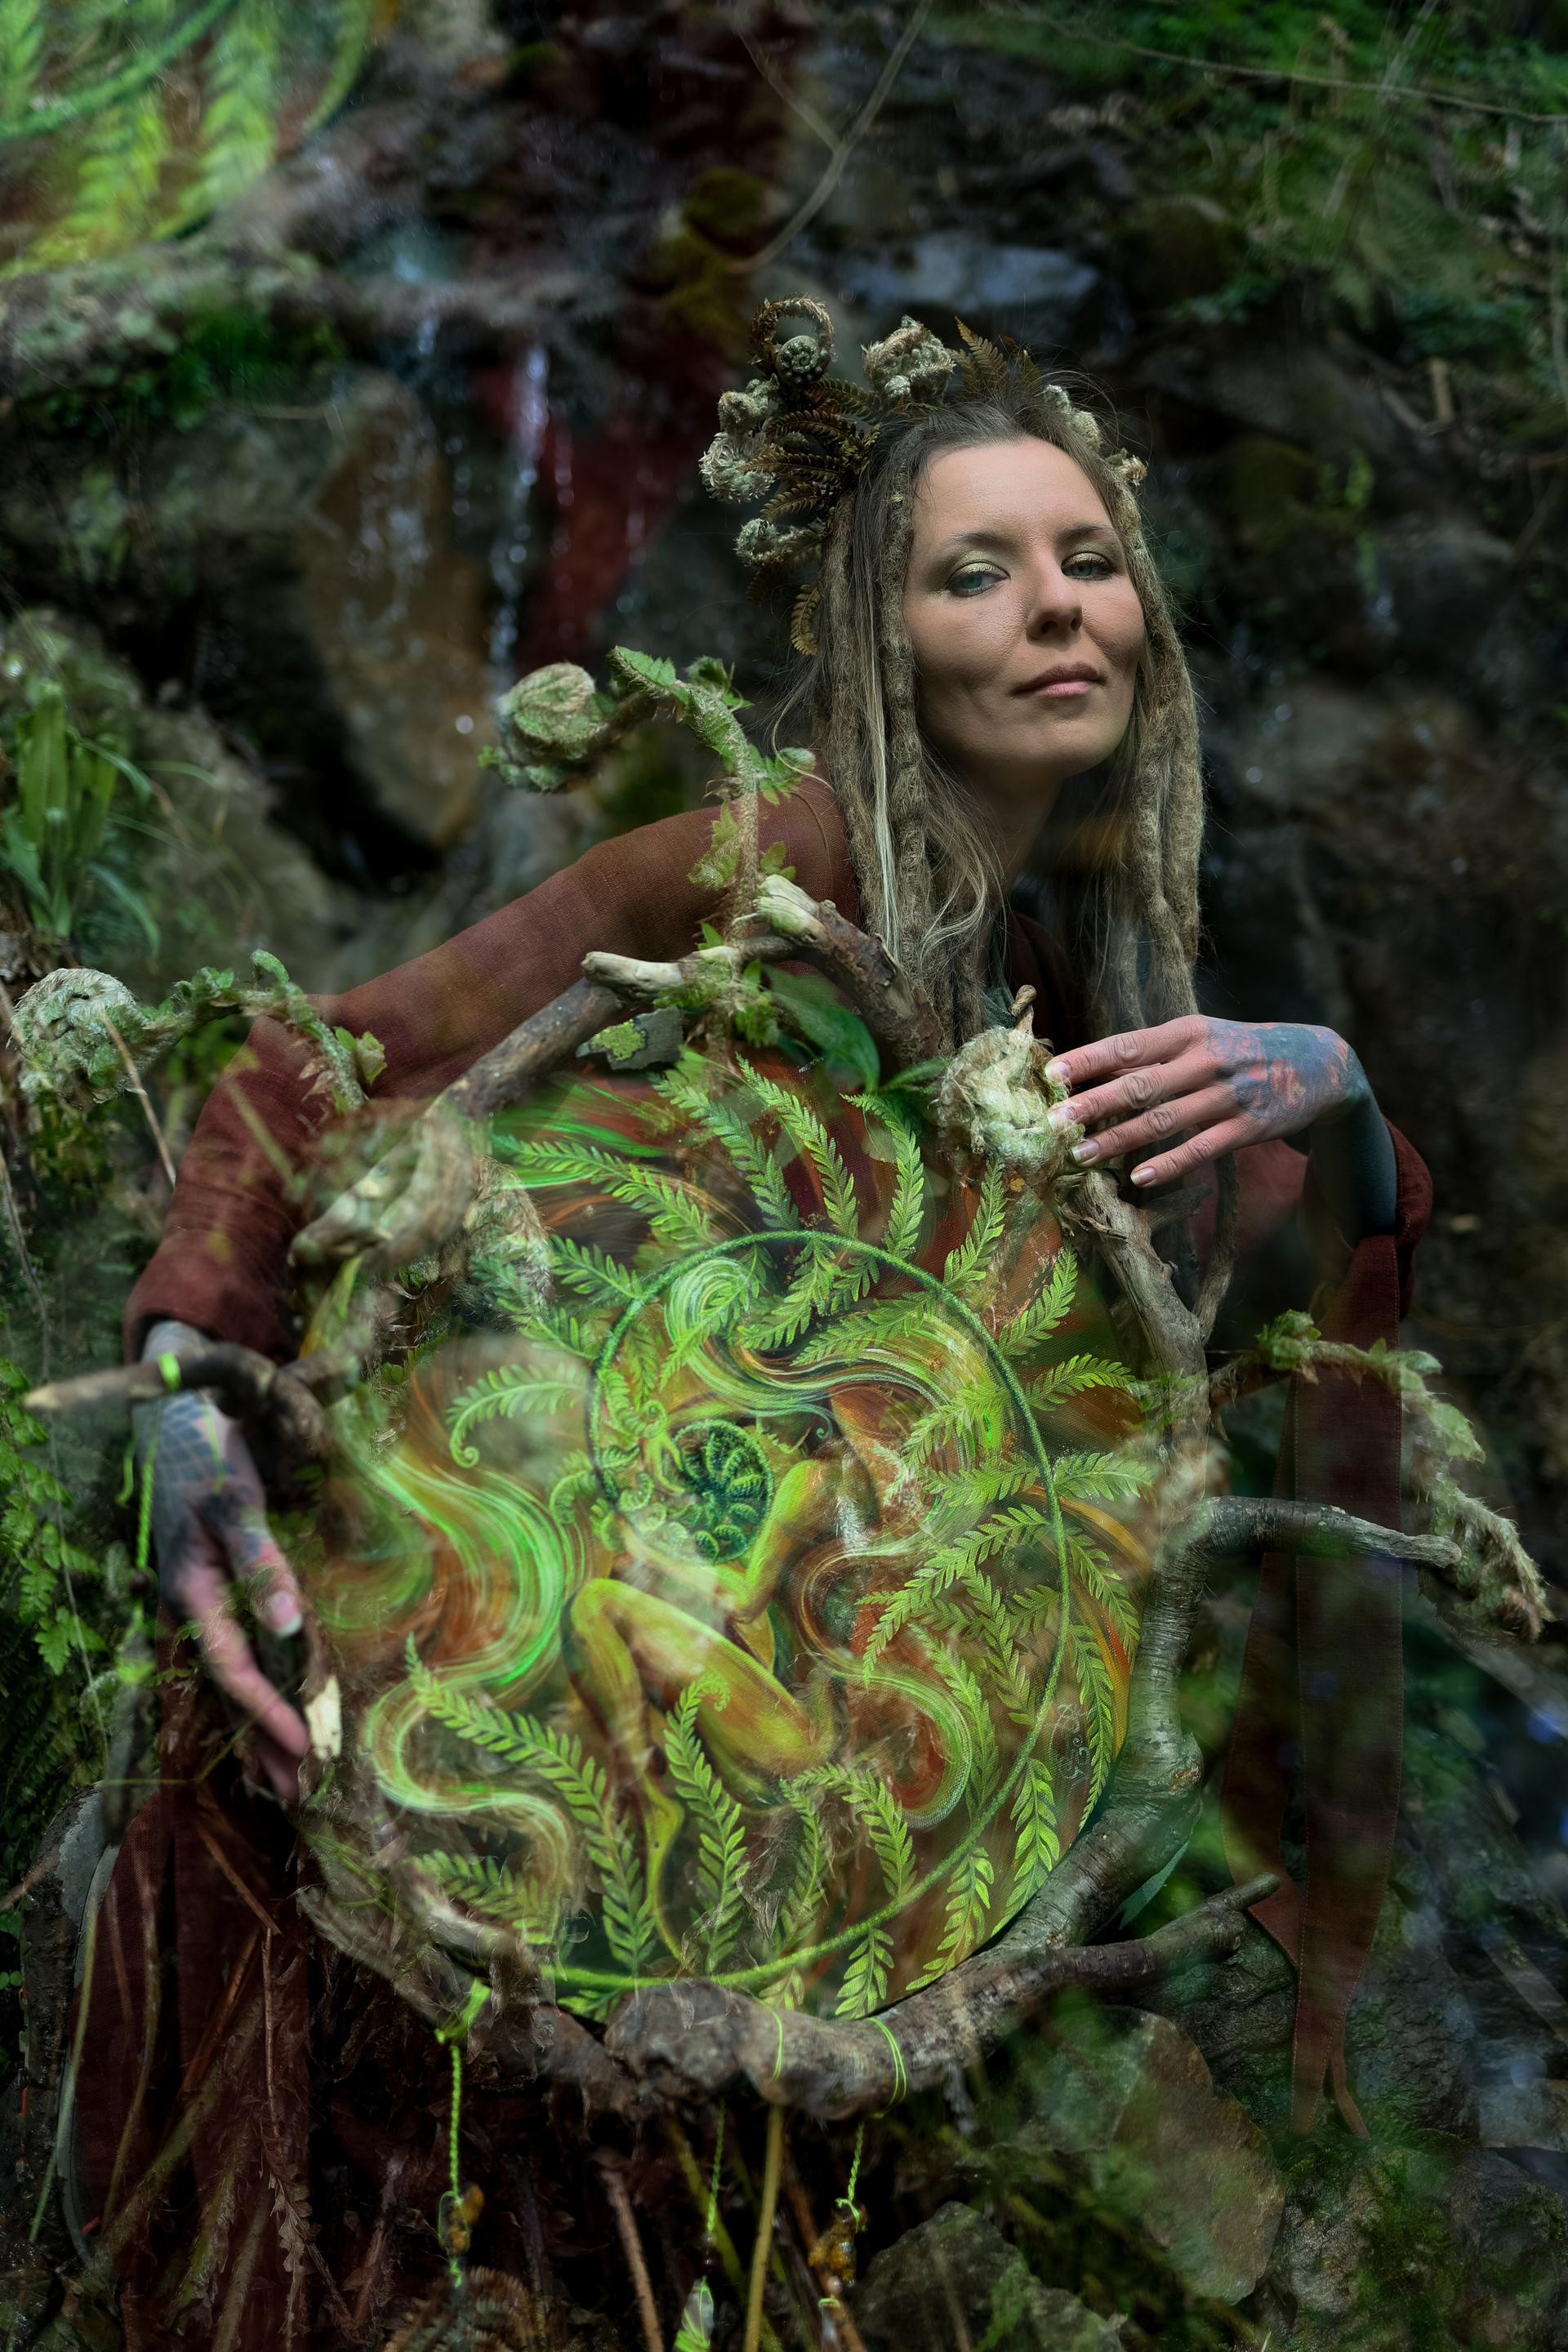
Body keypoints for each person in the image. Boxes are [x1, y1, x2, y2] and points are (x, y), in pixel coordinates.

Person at [81, 305, 1428, 2344]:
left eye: (1088, 559)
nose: (1054, 608)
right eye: (976, 573)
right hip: (475, 1713)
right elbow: (317, 1065)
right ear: (885, 647)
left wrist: (1346, 1097)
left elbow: (1271, 1341)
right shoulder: (765, 868)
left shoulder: (1082, 983)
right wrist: (190, 1378)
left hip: (789, 1816)